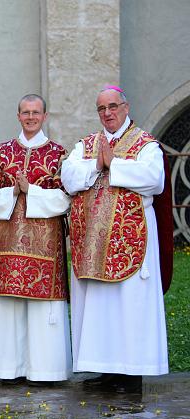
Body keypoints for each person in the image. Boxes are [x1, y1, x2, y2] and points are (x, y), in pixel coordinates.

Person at [61, 85, 171, 394]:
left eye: (113, 106)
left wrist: (114, 164)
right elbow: (68, 177)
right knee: (98, 306)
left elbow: (154, 179)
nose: (108, 113)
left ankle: (131, 373)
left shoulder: (145, 143)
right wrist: (96, 163)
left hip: (130, 238)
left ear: (125, 107)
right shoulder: (87, 145)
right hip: (93, 243)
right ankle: (106, 370)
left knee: (128, 305)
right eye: (102, 109)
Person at [0, 94, 71, 386]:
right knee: (10, 307)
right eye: (25, 112)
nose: (30, 117)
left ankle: (46, 371)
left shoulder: (58, 154)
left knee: (43, 310)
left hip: (45, 245)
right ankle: (10, 369)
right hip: (8, 244)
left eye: (36, 112)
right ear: (18, 115)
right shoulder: (3, 153)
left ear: (44, 116)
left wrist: (32, 190)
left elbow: (66, 199)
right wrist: (13, 193)